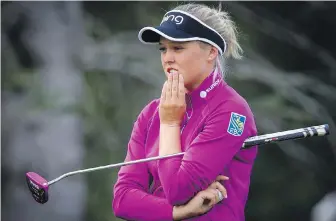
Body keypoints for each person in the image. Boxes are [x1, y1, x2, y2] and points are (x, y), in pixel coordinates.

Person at [112, 3, 258, 221]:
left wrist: (170, 123)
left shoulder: (232, 111)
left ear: (211, 52)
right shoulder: (151, 112)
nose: (167, 58)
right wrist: (179, 212)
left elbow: (178, 190)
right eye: (163, 48)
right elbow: (122, 200)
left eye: (178, 48)